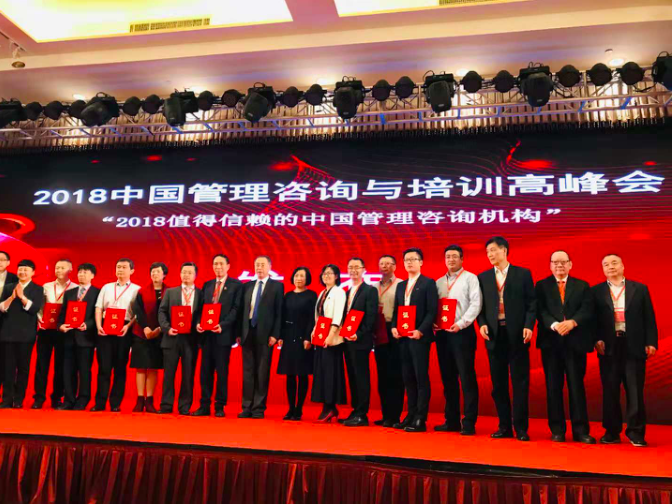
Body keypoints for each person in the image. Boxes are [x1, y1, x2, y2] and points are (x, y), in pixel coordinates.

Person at [592, 254, 658, 447]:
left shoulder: (639, 289)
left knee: (635, 390)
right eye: (606, 264)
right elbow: (592, 320)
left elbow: (649, 317)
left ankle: (636, 432)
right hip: (609, 346)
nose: (610, 266)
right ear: (603, 269)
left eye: (614, 263)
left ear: (622, 266)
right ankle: (611, 432)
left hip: (634, 345)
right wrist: (596, 339)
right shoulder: (595, 291)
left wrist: (651, 342)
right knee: (610, 390)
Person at [477, 237, 536, 442]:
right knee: (498, 384)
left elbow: (532, 304)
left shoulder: (522, 274)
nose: (490, 255)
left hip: (518, 334)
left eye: (493, 250)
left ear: (504, 250)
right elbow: (479, 306)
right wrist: (482, 323)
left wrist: (529, 325)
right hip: (494, 335)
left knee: (520, 382)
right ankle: (504, 426)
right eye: (487, 252)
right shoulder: (483, 277)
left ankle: (521, 428)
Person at [535, 251, 595, 444]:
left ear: (570, 264)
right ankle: (557, 430)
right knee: (553, 387)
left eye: (563, 262)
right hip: (551, 343)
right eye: (555, 262)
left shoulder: (582, 285)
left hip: (575, 342)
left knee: (577, 386)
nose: (559, 265)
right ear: (550, 265)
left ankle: (581, 431)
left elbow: (587, 309)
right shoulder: (541, 286)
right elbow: (540, 310)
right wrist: (554, 325)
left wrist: (572, 322)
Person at [434, 245, 482, 436]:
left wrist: (461, 324)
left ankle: (469, 422)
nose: (451, 259)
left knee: (466, 377)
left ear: (462, 259)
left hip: (462, 333)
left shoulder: (470, 278)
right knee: (448, 378)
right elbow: (434, 307)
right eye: (448, 256)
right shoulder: (438, 282)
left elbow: (476, 304)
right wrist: (434, 322)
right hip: (443, 334)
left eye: (455, 256)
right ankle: (451, 420)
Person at [391, 248, 439, 433]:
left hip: (419, 337)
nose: (409, 262)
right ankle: (410, 414)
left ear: (421, 262)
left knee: (420, 377)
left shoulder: (428, 283)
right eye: (406, 260)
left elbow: (432, 311)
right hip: (403, 338)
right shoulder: (401, 285)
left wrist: (421, 330)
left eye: (413, 259)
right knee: (408, 377)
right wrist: (394, 327)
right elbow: (397, 310)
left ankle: (421, 417)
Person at [193, 254, 243, 418]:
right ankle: (204, 405)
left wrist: (223, 325)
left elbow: (236, 309)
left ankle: (220, 406)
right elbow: (200, 308)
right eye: (215, 264)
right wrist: (198, 323)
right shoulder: (207, 285)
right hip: (206, 335)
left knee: (221, 372)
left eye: (221, 264)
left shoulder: (236, 285)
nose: (218, 267)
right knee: (205, 372)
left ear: (228, 266)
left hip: (223, 334)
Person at [238, 256, 283, 419]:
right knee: (248, 371)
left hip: (266, 334)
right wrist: (239, 333)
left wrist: (275, 334)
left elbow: (279, 312)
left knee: (262, 372)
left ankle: (258, 408)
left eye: (263, 265)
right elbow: (242, 311)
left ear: (270, 267)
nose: (259, 268)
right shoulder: (248, 285)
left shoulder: (277, 286)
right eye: (257, 265)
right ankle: (246, 406)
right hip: (248, 331)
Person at [93, 258, 140, 412]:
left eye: (124, 267)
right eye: (118, 267)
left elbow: (137, 314)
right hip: (105, 328)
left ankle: (115, 403)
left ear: (132, 271)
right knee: (104, 367)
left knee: (120, 368)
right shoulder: (107, 287)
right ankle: (100, 403)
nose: (120, 270)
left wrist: (128, 326)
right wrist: (99, 326)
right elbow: (98, 307)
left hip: (124, 329)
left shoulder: (136, 289)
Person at [158, 262, 202, 415]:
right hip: (172, 337)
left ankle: (184, 406)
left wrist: (198, 324)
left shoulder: (201, 293)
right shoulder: (171, 292)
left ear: (195, 275)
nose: (186, 275)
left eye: (189, 273)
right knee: (168, 374)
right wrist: (167, 328)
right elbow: (162, 312)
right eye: (183, 272)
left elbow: (201, 314)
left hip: (191, 339)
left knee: (188, 374)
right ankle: (166, 405)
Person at [33, 258, 77, 409]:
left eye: (62, 268)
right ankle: (39, 398)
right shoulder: (46, 286)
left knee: (60, 366)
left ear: (70, 270)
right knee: (41, 365)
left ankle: (57, 397)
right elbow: (40, 307)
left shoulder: (75, 288)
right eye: (57, 267)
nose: (58, 270)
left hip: (63, 331)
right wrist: (40, 320)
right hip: (46, 330)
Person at [0, 259, 44, 409]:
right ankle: (6, 399)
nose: (22, 272)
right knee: (8, 368)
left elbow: (34, 309)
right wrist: (12, 297)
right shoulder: (9, 287)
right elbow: (2, 308)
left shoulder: (38, 289)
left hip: (26, 335)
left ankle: (18, 400)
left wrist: (22, 297)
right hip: (7, 333)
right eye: (20, 269)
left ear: (33, 272)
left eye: (26, 270)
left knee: (23, 368)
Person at [57, 263, 100, 410]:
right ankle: (69, 400)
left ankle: (83, 399)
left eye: (85, 272)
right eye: (80, 272)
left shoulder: (97, 292)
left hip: (86, 338)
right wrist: (60, 325)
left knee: (84, 370)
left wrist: (87, 324)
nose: (81, 275)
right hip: (69, 337)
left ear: (92, 275)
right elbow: (63, 313)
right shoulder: (70, 293)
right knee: (68, 370)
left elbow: (98, 315)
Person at [341, 258, 378, 427]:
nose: (353, 270)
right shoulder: (347, 291)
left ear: (364, 270)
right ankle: (355, 410)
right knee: (353, 377)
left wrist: (359, 334)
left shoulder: (370, 290)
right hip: (347, 340)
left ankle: (362, 414)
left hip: (360, 341)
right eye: (350, 267)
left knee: (361, 377)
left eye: (357, 267)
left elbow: (371, 317)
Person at [276, 267, 316, 421]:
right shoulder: (288, 296)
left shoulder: (311, 295)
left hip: (303, 338)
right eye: (296, 275)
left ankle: (299, 409)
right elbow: (282, 316)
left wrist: (308, 338)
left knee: (302, 374)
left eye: (302, 276)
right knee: (290, 374)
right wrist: (281, 335)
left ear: (307, 279)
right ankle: (291, 408)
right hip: (288, 337)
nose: (299, 278)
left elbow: (313, 318)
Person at [130, 262, 168, 413]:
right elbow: (137, 310)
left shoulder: (169, 291)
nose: (154, 274)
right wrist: (145, 327)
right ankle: (140, 399)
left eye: (158, 271)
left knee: (153, 367)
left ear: (164, 274)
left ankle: (150, 400)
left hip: (160, 334)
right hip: (141, 333)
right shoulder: (142, 291)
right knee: (140, 367)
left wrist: (159, 329)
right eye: (152, 271)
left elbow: (168, 312)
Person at [311, 264, 347, 422]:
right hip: (321, 336)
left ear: (336, 276)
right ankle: (329, 407)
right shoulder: (322, 292)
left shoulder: (339, 292)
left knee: (331, 373)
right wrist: (314, 330)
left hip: (333, 339)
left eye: (330, 273)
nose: (326, 276)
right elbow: (319, 316)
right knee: (322, 372)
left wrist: (331, 335)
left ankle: (330, 406)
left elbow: (338, 316)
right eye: (324, 273)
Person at [371, 255, 404, 428]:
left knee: (395, 374)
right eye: (381, 263)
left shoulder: (401, 284)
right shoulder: (373, 287)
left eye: (388, 263)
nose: (384, 266)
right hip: (379, 330)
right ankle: (386, 415)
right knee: (382, 374)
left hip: (395, 329)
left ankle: (395, 416)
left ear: (395, 266)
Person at [0, 250, 17, 400]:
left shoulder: (15, 278)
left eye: (2, 260)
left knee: (6, 361)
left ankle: (7, 397)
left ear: (8, 262)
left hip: (7, 323)